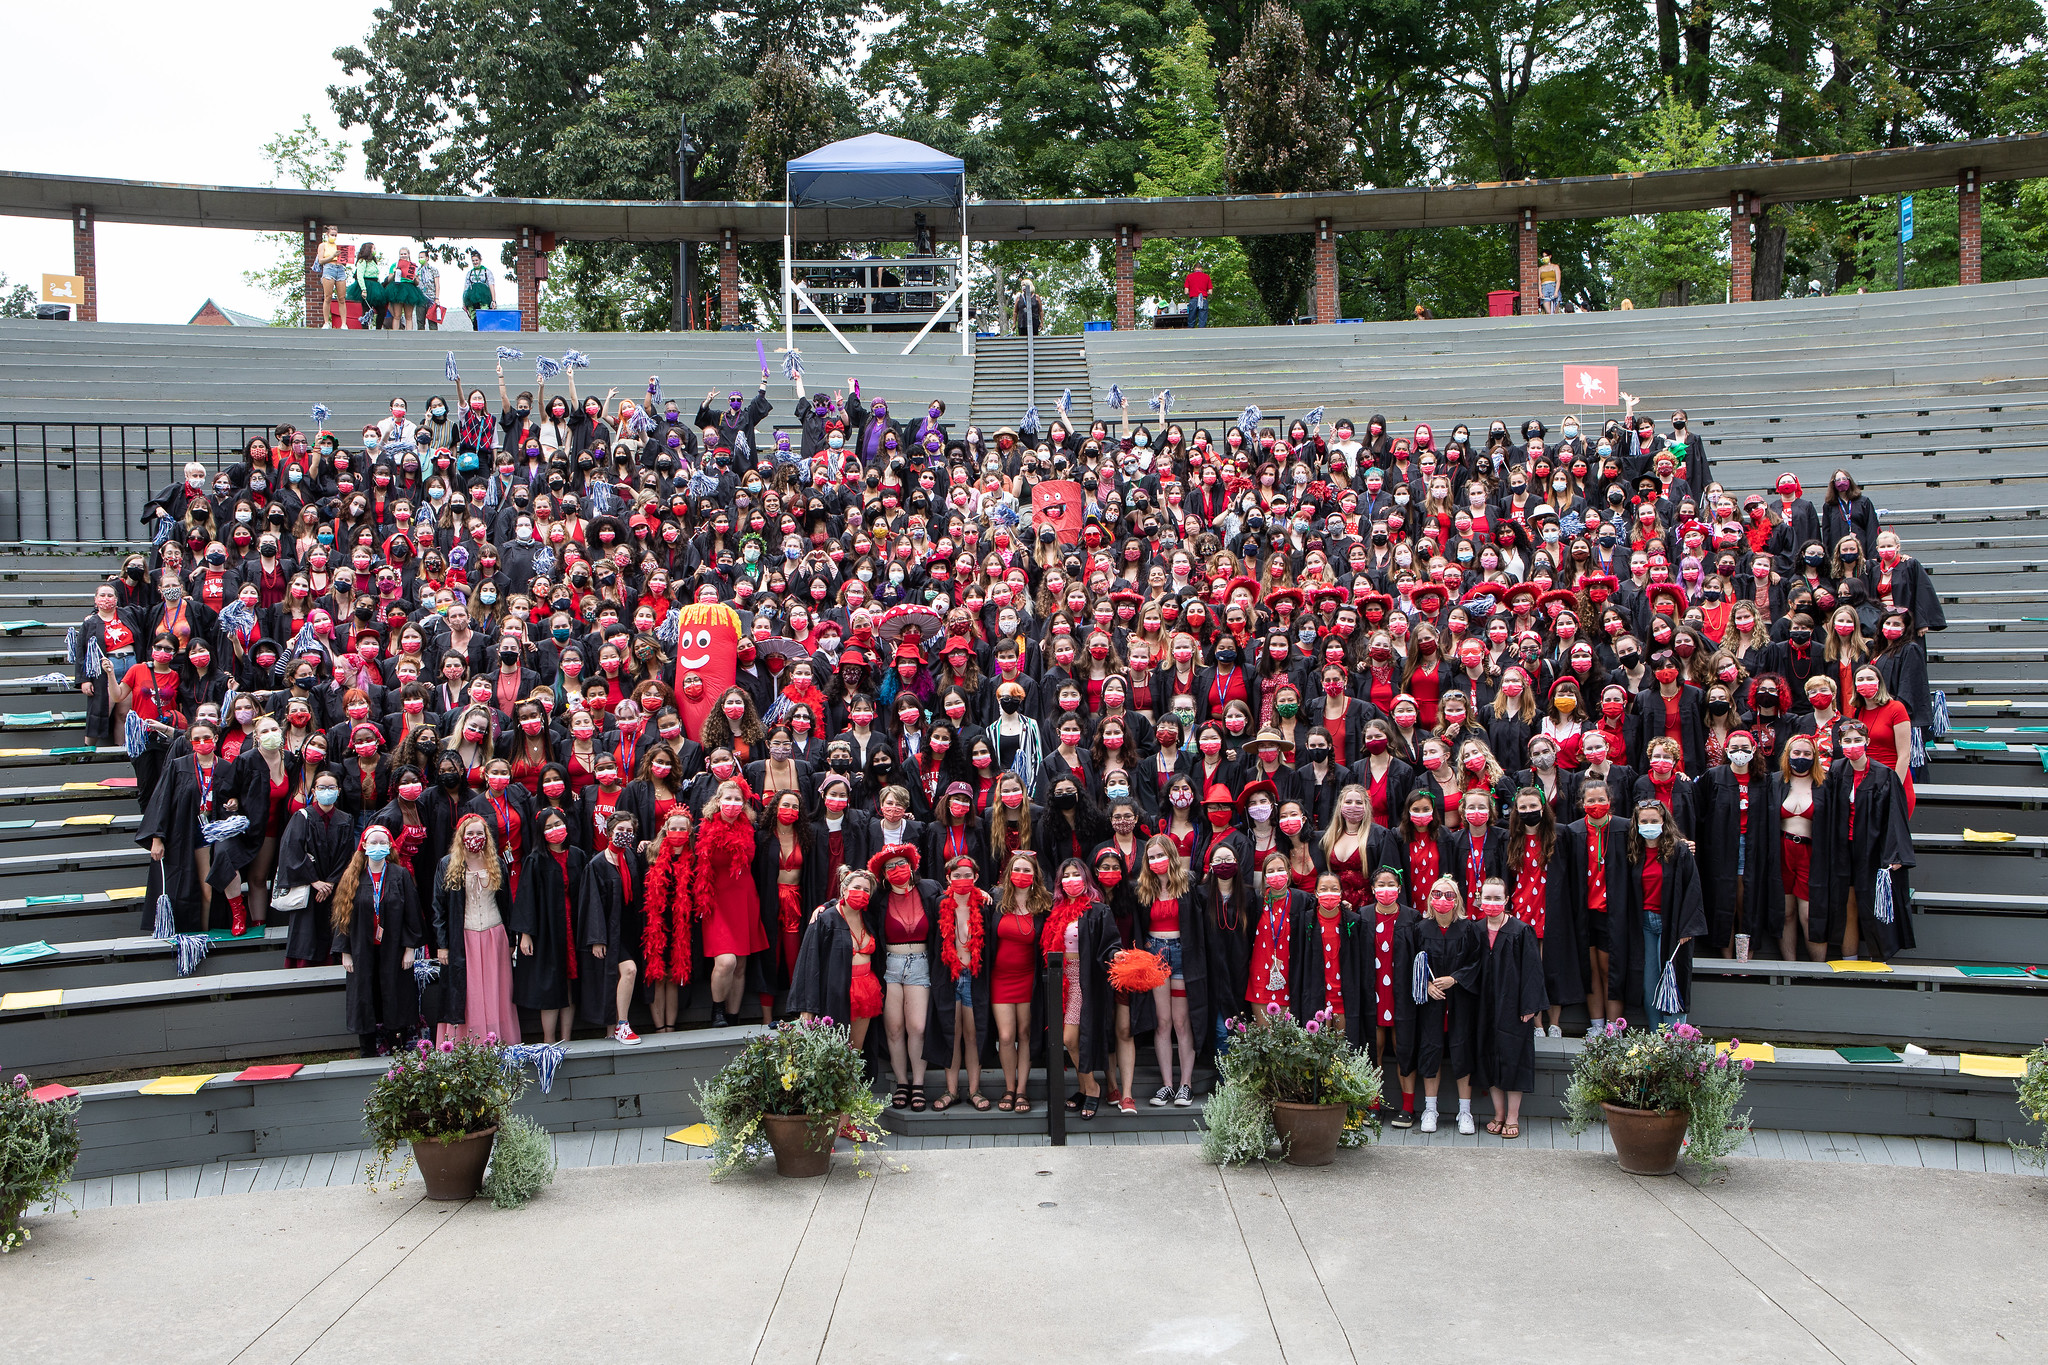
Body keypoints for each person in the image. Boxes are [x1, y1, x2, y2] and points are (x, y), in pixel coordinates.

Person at [1393, 875, 1477, 1134]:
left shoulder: (1469, 929)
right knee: (1430, 1051)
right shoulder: (1420, 929)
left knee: (1463, 1053)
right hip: (1430, 1004)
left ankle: (1465, 1112)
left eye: (1449, 895)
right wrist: (1425, 986)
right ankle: (1430, 1109)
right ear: (1429, 899)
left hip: (1460, 1001)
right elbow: (1410, 965)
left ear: (1457, 900)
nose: (1443, 900)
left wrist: (1455, 979)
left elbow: (1476, 963)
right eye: (1437, 894)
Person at [332, 824, 425, 1055]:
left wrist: (410, 948)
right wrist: (345, 951)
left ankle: (397, 1044)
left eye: (382, 843)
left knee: (395, 992)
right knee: (364, 994)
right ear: (363, 846)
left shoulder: (400, 875)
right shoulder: (353, 876)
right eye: (373, 843)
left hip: (393, 948)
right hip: (363, 948)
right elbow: (342, 916)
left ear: (390, 846)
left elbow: (412, 914)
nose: (377, 847)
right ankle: (367, 1047)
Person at [1462, 876, 1544, 1138]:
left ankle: (1512, 1116)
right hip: (1484, 1005)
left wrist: (1529, 1005)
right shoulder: (1474, 930)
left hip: (1514, 1006)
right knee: (1488, 1057)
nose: (1492, 903)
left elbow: (1533, 971)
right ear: (1479, 899)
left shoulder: (1521, 931)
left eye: (1498, 898)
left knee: (1512, 1058)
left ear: (1507, 900)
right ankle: (1497, 1114)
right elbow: (1469, 968)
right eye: (1487, 898)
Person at [431, 813, 521, 1045]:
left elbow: (507, 904)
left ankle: (499, 1040)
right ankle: (467, 1043)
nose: (475, 837)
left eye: (479, 833)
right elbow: (438, 908)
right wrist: (442, 945)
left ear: (486, 836)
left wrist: (511, 937)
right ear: (461, 837)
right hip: (464, 938)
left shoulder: (497, 862)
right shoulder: (447, 864)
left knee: (495, 991)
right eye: (470, 833)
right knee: (469, 993)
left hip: (494, 934)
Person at [461, 247, 496, 326]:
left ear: (480, 260)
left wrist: (493, 300)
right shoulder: (470, 273)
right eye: (473, 261)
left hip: (484, 299)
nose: (475, 262)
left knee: (484, 319)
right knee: (474, 320)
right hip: (471, 300)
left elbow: (491, 285)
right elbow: (466, 287)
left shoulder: (486, 272)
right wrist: (463, 302)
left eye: (476, 260)